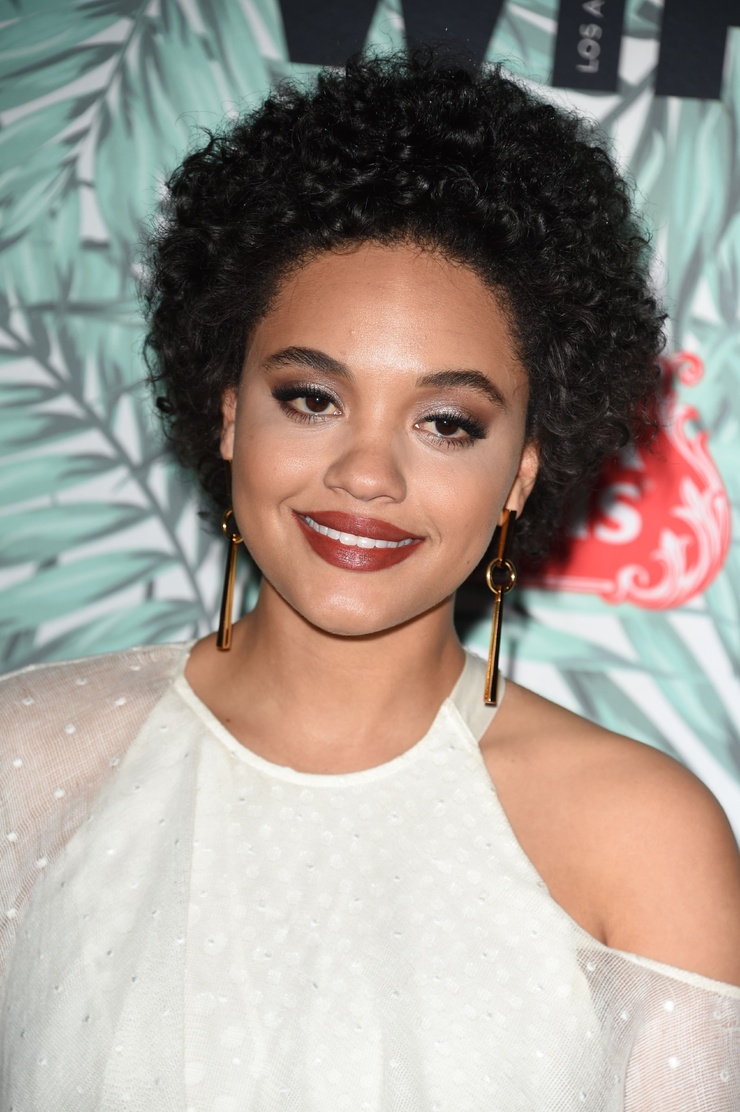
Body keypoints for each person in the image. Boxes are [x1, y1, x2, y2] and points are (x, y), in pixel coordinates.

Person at [1, 49, 738, 1110]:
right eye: (311, 398)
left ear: (521, 470)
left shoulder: (641, 838)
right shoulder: (26, 759)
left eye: (447, 422)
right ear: (228, 411)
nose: (366, 474)